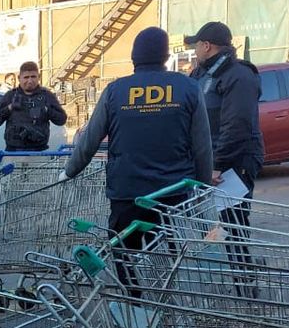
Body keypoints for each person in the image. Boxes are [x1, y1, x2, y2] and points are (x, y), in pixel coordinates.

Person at [65, 27, 214, 289]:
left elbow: (90, 139)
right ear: (165, 56)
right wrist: (202, 186)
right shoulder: (188, 88)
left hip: (127, 194)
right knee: (166, 258)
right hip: (172, 195)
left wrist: (70, 170)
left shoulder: (116, 91)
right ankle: (165, 306)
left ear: (134, 57)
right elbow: (202, 146)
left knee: (125, 255)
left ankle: (134, 307)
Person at [185, 21, 264, 209]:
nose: (195, 50)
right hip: (210, 159)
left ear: (206, 46)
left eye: (196, 45)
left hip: (235, 162)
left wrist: (217, 165)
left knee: (231, 219)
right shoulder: (200, 74)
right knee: (209, 222)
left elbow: (237, 126)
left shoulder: (239, 75)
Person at [0, 61, 68, 152]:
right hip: (14, 152)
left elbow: (62, 120)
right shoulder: (10, 96)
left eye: (33, 77)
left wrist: (47, 110)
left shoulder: (46, 95)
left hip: (39, 153)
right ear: (19, 78)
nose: (30, 81)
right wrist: (9, 108)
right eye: (26, 77)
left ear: (38, 77)